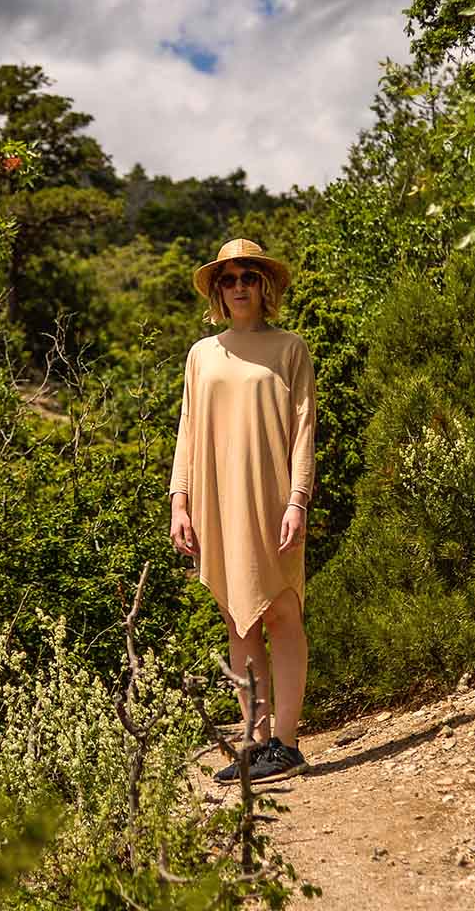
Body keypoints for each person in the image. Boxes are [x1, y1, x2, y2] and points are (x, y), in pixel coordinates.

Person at [168, 238, 316, 784]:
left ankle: (287, 742)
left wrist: (298, 499)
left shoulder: (289, 348)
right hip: (215, 499)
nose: (237, 287)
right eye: (227, 279)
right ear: (217, 291)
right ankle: (253, 743)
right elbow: (187, 428)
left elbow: (304, 430)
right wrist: (179, 500)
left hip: (273, 497)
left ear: (264, 285)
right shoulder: (202, 354)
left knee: (280, 612)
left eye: (247, 277)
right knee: (237, 614)